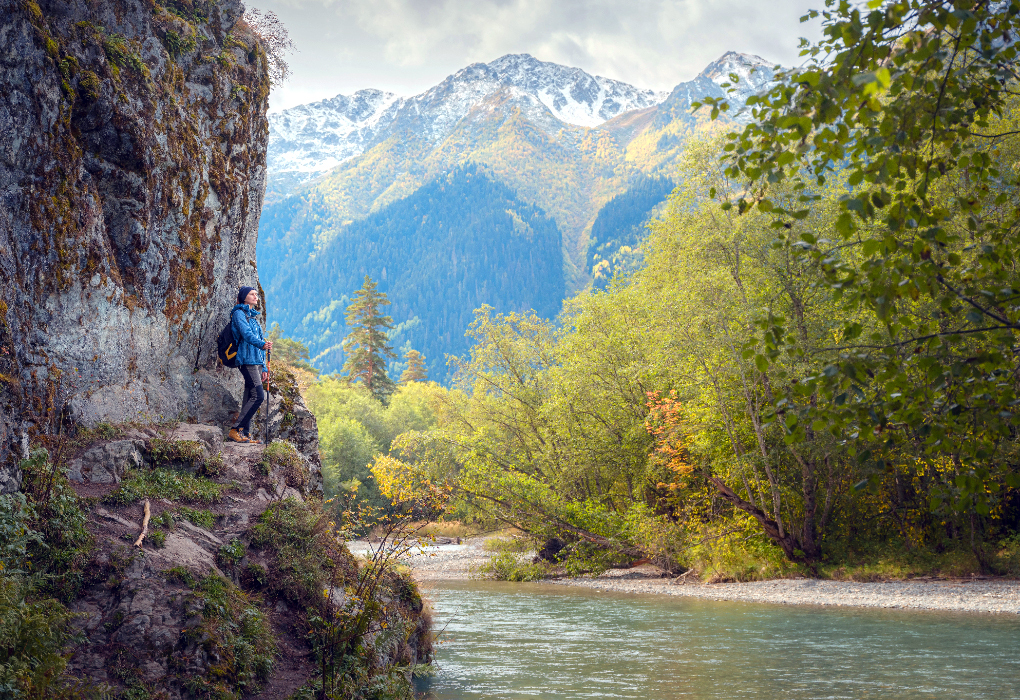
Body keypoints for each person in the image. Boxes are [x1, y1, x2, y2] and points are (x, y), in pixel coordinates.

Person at [228, 286, 273, 443]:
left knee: (249, 396)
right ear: (243, 297)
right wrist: (262, 345)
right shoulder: (239, 314)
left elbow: (260, 343)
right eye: (252, 294)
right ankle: (235, 430)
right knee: (259, 396)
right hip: (246, 360)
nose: (256, 297)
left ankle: (244, 434)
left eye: (256, 294)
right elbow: (246, 335)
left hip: (257, 362)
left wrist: (265, 367)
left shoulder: (253, 318)